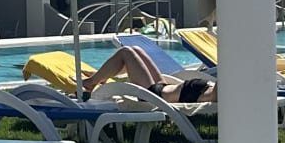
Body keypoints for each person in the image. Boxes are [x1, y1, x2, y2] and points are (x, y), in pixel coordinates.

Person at [79, 43, 216, 110]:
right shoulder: (218, 90)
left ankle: (92, 81)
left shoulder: (215, 95)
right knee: (136, 49)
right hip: (162, 86)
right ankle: (100, 76)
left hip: (154, 95)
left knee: (126, 52)